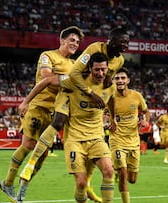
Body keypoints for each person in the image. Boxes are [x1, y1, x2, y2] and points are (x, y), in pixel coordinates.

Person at [19, 27, 129, 202]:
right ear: (111, 40)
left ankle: (88, 189)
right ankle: (31, 163)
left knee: (103, 171)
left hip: (92, 123)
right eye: (122, 42)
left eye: (127, 43)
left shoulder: (119, 61)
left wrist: (111, 111)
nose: (126, 46)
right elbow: (73, 73)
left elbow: (110, 81)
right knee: (58, 122)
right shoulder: (94, 48)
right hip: (73, 84)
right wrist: (90, 92)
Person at [0, 26, 85, 203]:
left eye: (77, 42)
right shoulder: (47, 56)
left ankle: (23, 188)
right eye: (72, 40)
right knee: (29, 144)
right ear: (62, 40)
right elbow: (47, 77)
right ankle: (7, 183)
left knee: (43, 153)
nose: (75, 44)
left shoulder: (74, 64)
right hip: (39, 107)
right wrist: (26, 102)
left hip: (55, 113)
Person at [62, 52, 116, 203]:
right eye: (97, 69)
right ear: (90, 68)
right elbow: (49, 81)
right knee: (81, 182)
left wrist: (113, 117)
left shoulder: (109, 86)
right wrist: (27, 102)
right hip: (74, 139)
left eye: (103, 69)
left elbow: (111, 99)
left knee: (109, 171)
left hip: (96, 138)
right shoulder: (75, 82)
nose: (101, 73)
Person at [109, 67, 150, 203]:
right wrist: (107, 122)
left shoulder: (136, 96)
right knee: (123, 173)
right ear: (113, 80)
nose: (120, 80)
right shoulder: (110, 97)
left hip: (133, 141)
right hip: (117, 140)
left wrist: (145, 121)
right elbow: (101, 114)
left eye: (122, 78)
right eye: (117, 78)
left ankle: (117, 172)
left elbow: (146, 112)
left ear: (128, 80)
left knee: (132, 179)